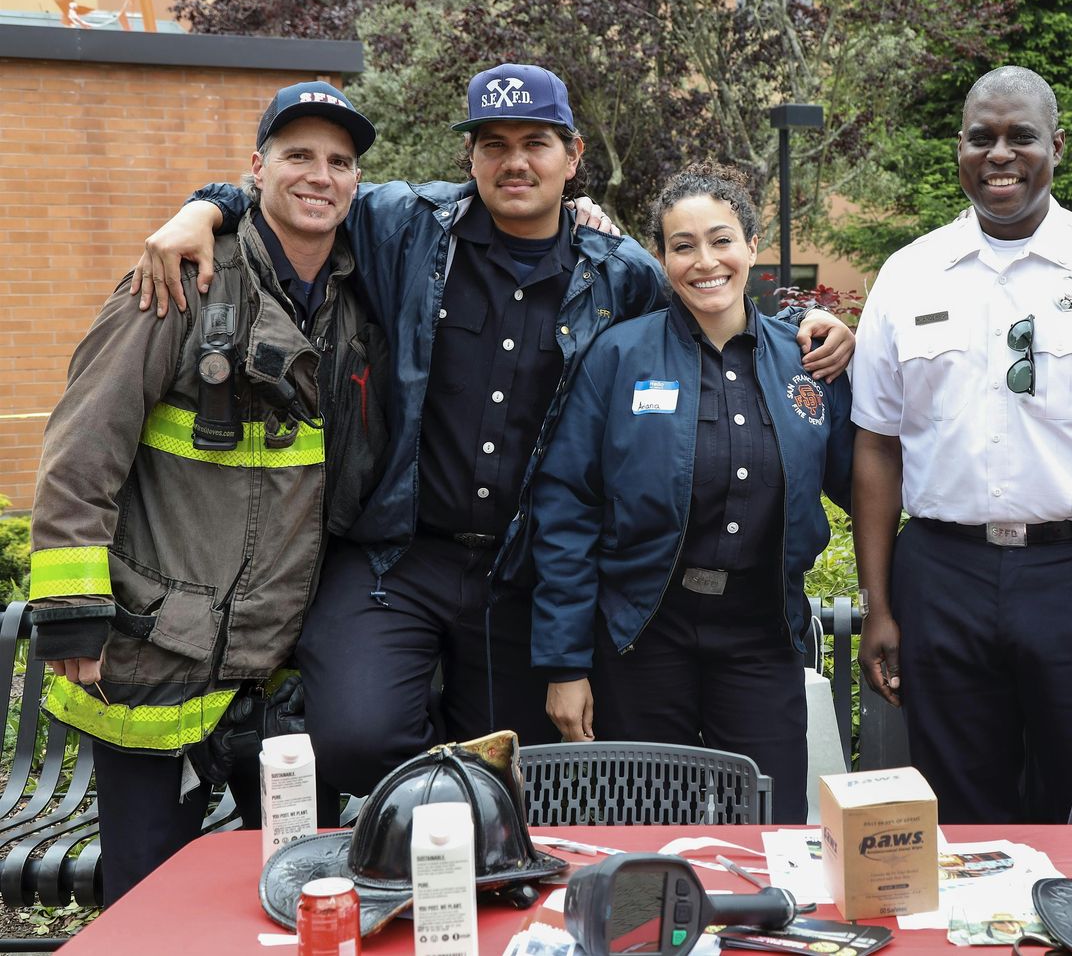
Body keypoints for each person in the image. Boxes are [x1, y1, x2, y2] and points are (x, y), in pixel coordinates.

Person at [136, 64, 855, 799]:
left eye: (536, 142)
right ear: (470, 157)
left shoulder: (620, 274)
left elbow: (712, 308)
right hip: (400, 556)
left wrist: (803, 324)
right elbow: (307, 193)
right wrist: (209, 207)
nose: (515, 161)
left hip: (522, 576)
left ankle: (472, 869)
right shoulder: (405, 226)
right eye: (494, 143)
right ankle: (421, 832)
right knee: (357, 738)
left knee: (529, 771)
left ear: (572, 156)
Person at [26, 81, 386, 902]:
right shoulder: (177, 283)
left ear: (356, 185)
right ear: (256, 168)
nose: (319, 176)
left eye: (339, 162)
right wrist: (75, 614)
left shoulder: (356, 305)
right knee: (149, 903)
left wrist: (586, 220)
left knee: (292, 899)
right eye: (298, 155)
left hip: (280, 678)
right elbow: (81, 452)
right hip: (156, 658)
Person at [852, 64, 1072, 824]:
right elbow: (876, 445)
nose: (1000, 154)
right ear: (960, 149)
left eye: (1021, 137)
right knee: (957, 808)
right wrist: (879, 604)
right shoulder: (909, 275)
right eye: (982, 137)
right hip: (943, 575)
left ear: (1057, 147)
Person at [528, 162, 854, 822]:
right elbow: (567, 510)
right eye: (683, 246)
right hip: (644, 637)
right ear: (661, 257)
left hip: (763, 635)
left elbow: (866, 479)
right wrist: (565, 665)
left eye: (721, 239)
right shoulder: (619, 358)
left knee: (771, 835)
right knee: (646, 839)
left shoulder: (809, 360)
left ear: (752, 246)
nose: (705, 261)